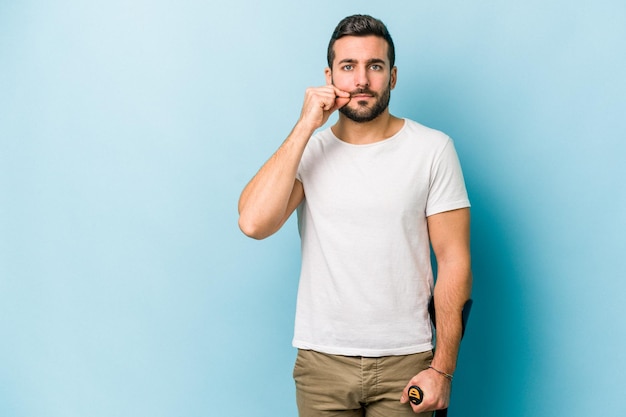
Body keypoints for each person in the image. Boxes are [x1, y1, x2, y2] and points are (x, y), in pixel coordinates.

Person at [238, 14, 472, 417]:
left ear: (392, 76)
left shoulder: (432, 149)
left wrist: (442, 369)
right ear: (330, 76)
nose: (361, 80)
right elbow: (253, 223)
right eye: (349, 67)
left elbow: (454, 260)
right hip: (322, 363)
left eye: (374, 66)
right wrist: (306, 125)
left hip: (406, 361)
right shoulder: (309, 150)